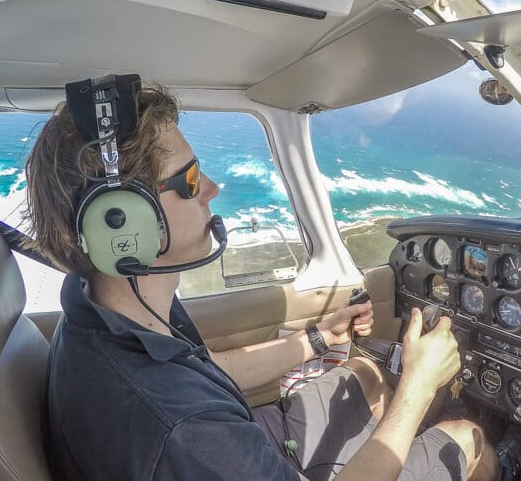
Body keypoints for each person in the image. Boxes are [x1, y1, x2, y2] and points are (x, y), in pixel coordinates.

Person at [25, 83, 497, 480]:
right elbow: (190, 415)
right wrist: (419, 384)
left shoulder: (105, 313)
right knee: (469, 439)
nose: (211, 187)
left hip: (247, 439)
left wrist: (316, 338)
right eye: (189, 179)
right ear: (122, 224)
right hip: (237, 451)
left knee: (364, 375)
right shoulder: (183, 430)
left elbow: (202, 372)